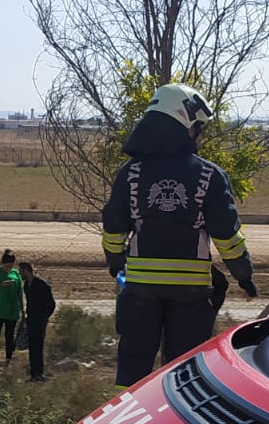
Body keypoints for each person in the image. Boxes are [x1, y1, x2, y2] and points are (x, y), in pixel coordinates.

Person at [102, 82, 258, 388]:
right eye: (197, 127)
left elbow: (113, 228)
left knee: (132, 370)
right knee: (183, 374)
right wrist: (244, 276)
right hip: (191, 294)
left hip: (140, 290)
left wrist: (115, 263)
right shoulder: (209, 175)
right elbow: (226, 236)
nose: (198, 133)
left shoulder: (130, 173)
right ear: (185, 125)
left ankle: (126, 417)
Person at [0, 249, 24, 370]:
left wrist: (22, 309)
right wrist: (0, 285)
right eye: (7, 265)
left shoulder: (16, 274)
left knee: (9, 336)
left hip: (12, 310)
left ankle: (8, 360)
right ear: (3, 263)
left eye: (11, 265)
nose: (9, 268)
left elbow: (20, 292)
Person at [19, 261, 56, 382]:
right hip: (31, 319)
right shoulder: (26, 285)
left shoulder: (41, 284)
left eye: (21, 271)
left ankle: (39, 374)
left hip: (40, 321)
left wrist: (44, 317)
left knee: (38, 347)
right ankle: (33, 374)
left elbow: (51, 304)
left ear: (26, 271)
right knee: (32, 347)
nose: (20, 274)